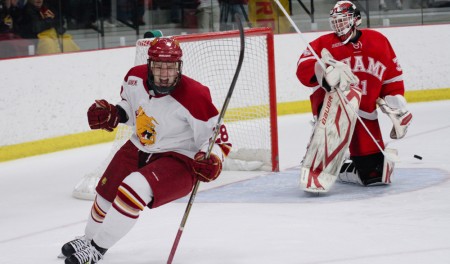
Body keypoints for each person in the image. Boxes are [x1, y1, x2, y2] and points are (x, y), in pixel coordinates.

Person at [60, 37, 231, 264]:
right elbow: (132, 109)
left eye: (170, 67)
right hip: (140, 144)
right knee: (106, 191)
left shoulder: (195, 96)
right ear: (150, 64)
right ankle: (89, 237)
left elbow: (219, 139)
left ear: (179, 67)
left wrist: (213, 158)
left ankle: (96, 249)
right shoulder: (134, 78)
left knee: (134, 187)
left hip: (179, 157)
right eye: (159, 66)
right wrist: (115, 114)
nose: (164, 73)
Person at [296, 1, 412, 187]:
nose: (338, 25)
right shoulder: (323, 44)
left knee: (375, 176)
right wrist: (322, 70)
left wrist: (396, 104)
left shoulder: (378, 41)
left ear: (356, 19)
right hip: (333, 114)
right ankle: (320, 152)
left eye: (343, 20)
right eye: (336, 21)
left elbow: (392, 79)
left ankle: (345, 168)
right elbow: (302, 69)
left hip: (366, 116)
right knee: (321, 167)